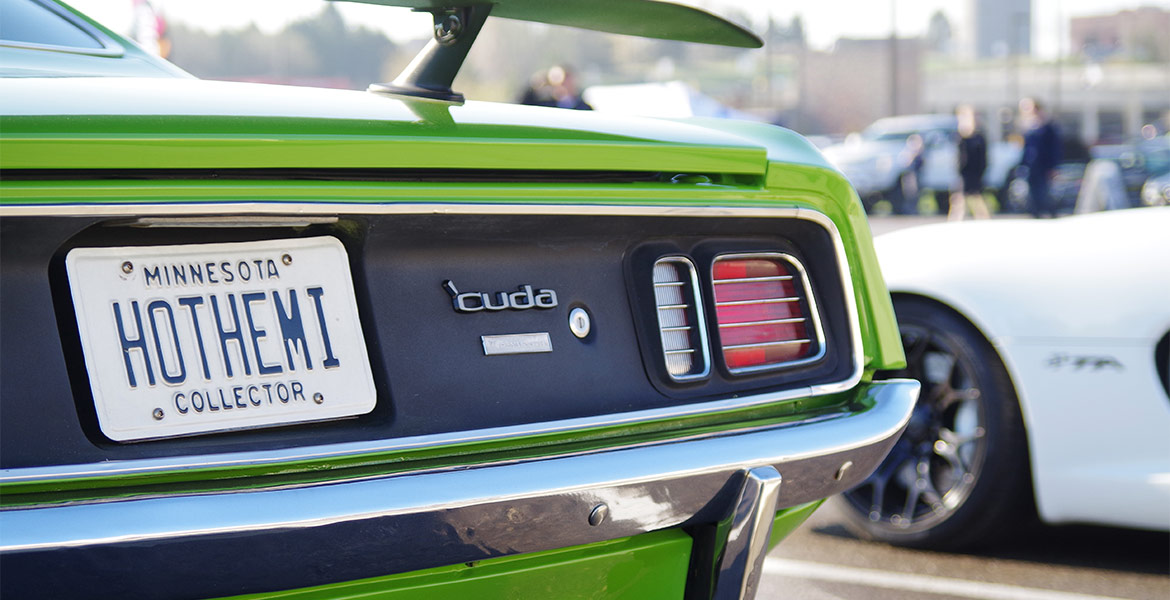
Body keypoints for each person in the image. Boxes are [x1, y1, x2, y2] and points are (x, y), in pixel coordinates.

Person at [1017, 98, 1062, 218]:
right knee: (1032, 191)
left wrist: (1054, 166)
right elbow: (1026, 148)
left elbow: (1054, 148)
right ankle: (1035, 214)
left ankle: (1051, 213)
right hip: (1031, 166)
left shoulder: (1048, 127)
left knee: (1044, 191)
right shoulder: (1029, 127)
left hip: (1044, 165)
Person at [949, 105, 990, 220]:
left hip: (975, 172)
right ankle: (956, 219)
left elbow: (983, 159)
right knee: (958, 199)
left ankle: (982, 218)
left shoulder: (978, 138)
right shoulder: (960, 137)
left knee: (975, 198)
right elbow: (959, 157)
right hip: (963, 173)